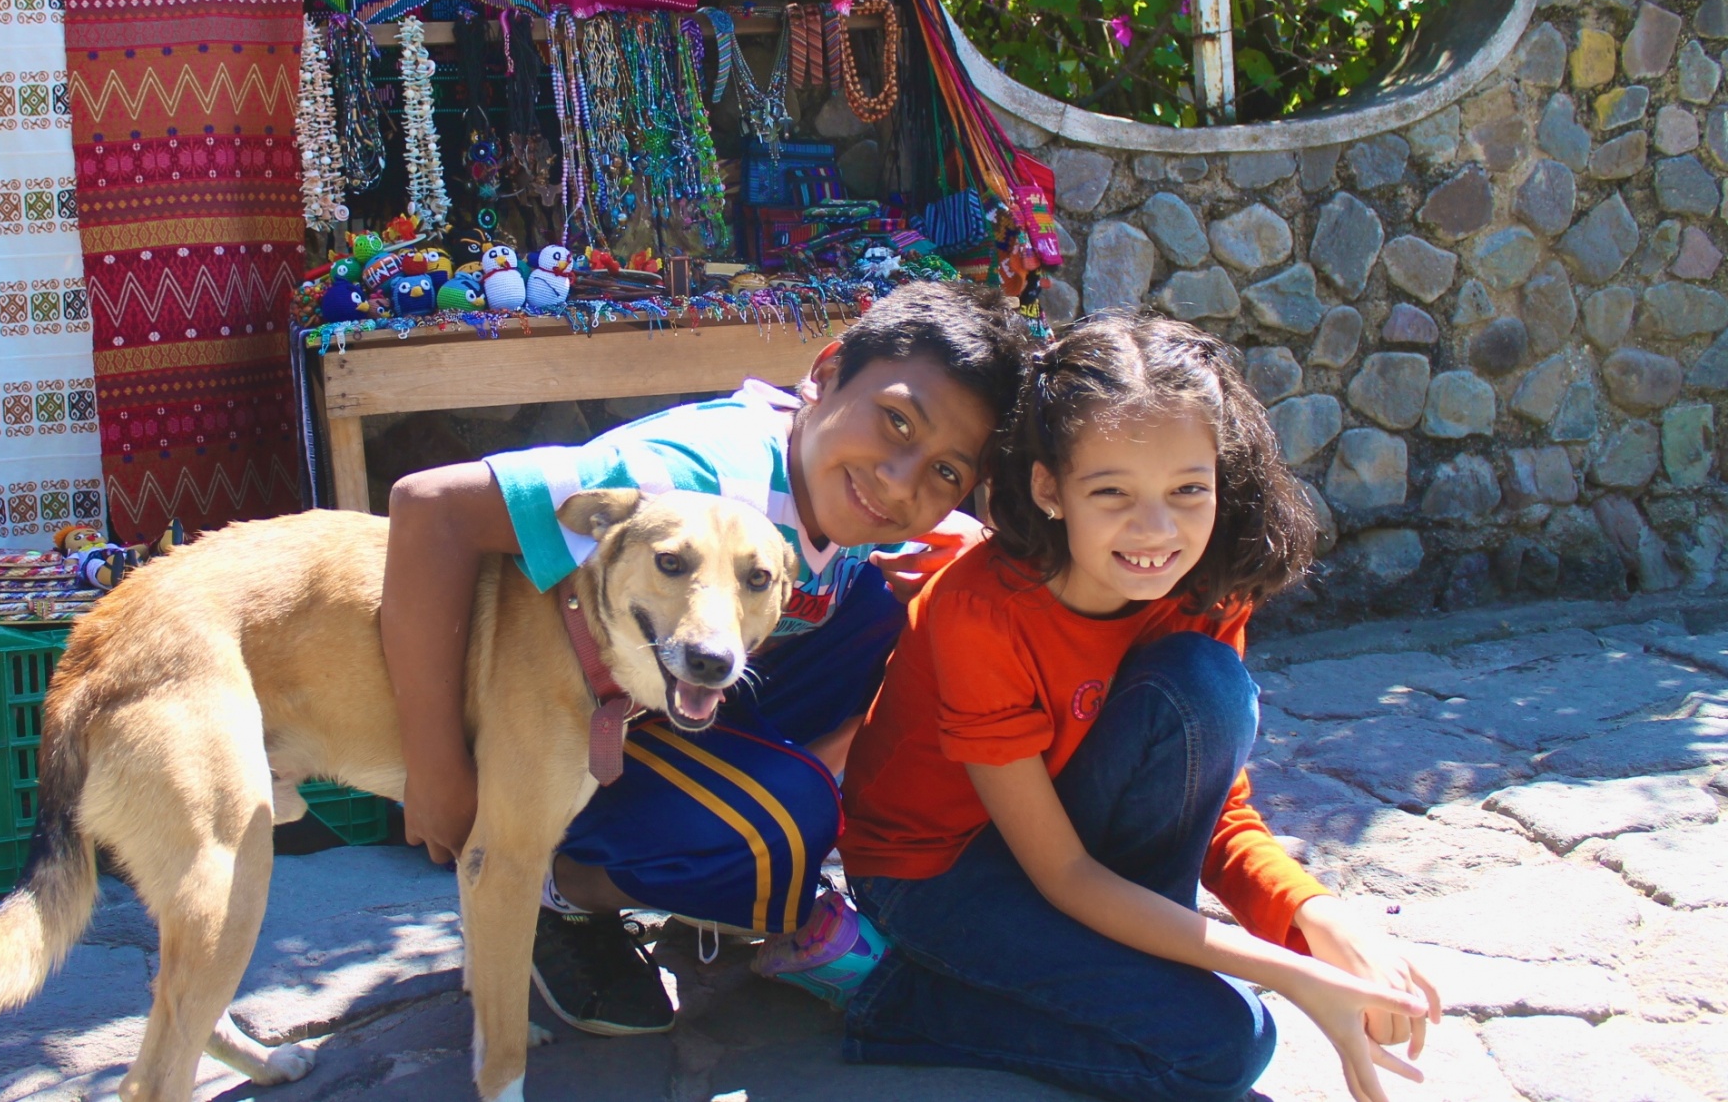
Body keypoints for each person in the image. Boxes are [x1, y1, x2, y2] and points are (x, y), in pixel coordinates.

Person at [379, 280, 1033, 1036]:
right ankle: (550, 882)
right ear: (824, 374)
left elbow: (929, 528)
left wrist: (971, 546)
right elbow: (431, 505)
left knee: (923, 598)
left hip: (661, 690)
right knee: (785, 828)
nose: (899, 479)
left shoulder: (837, 479)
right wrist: (436, 768)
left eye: (946, 471)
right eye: (894, 422)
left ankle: (738, 813)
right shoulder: (689, 477)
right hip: (545, 734)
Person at [817, 312, 1440, 1102]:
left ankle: (1119, 961)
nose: (1155, 529)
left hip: (1064, 838)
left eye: (1188, 490)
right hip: (934, 872)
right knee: (1223, 1048)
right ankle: (899, 1001)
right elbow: (1065, 874)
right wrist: (1294, 971)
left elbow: (1211, 807)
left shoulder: (1207, 590)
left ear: (1224, 475)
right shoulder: (984, 611)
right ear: (1049, 487)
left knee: (1205, 685)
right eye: (1111, 491)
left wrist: (1319, 917)